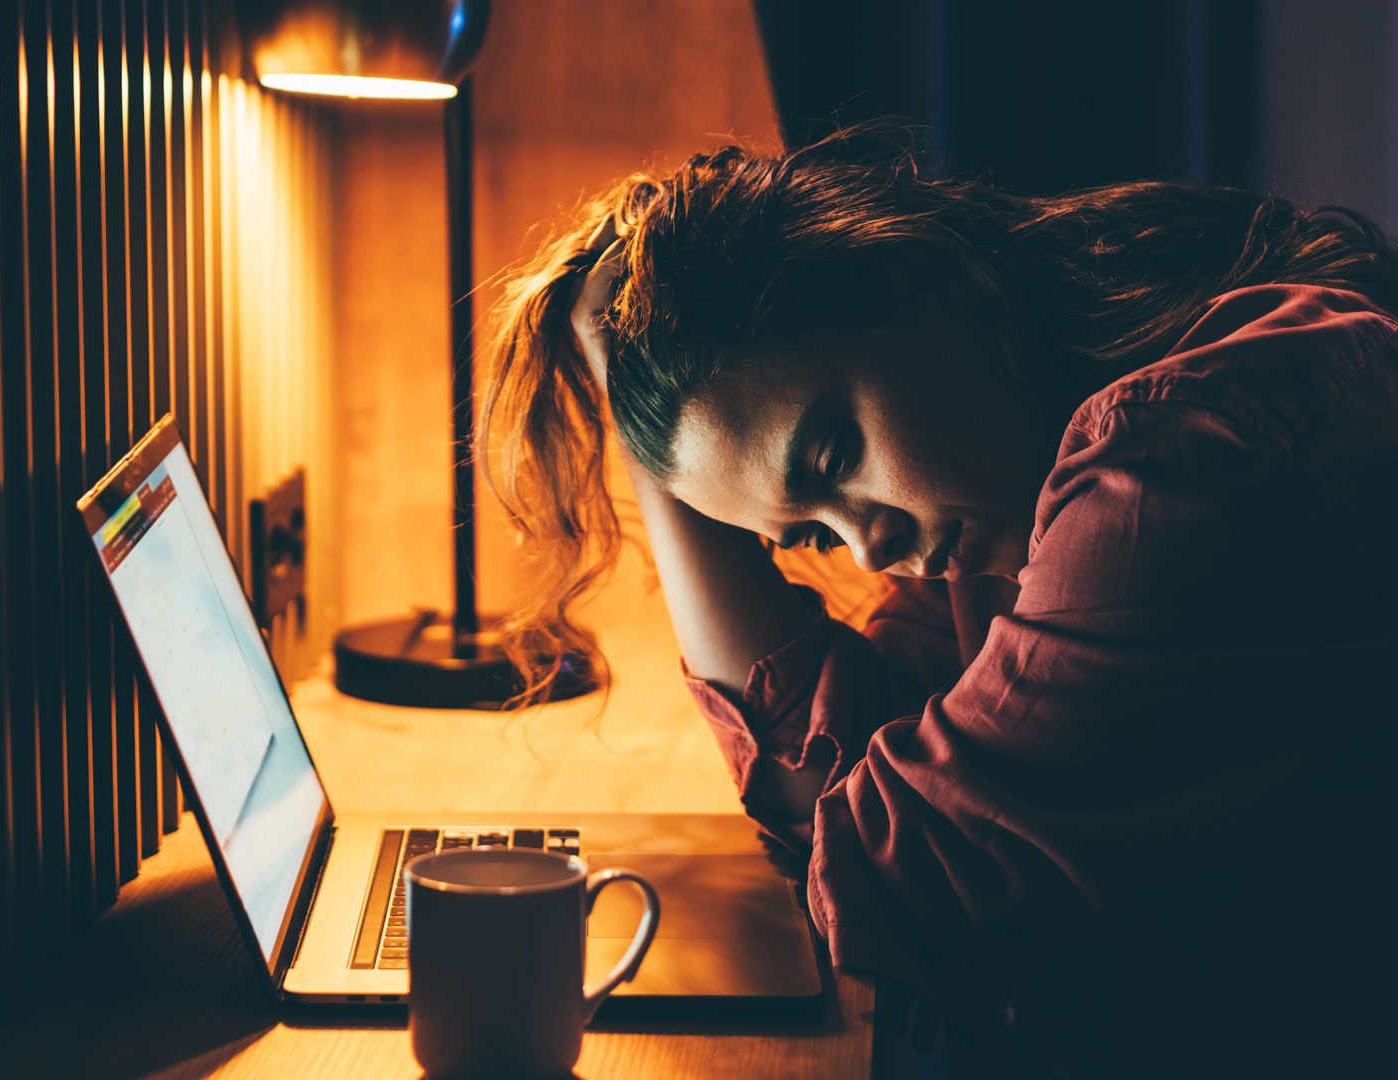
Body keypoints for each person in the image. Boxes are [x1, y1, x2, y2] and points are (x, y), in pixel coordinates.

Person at [478, 124, 1398, 1078]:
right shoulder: (1008, 476)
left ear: (926, 283)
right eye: (807, 534)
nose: (870, 546)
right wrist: (647, 417)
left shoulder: (1178, 472)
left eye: (836, 456)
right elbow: (839, 773)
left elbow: (901, 879)